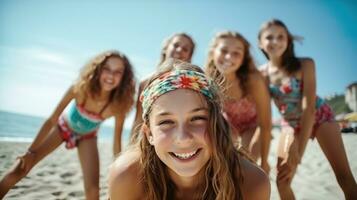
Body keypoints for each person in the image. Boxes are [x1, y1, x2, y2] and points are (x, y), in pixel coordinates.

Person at [108, 59, 270, 200]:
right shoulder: (126, 177)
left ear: (217, 123)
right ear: (149, 133)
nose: (183, 137)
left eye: (197, 118)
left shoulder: (251, 182)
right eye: (166, 122)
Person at [0, 50, 136, 200]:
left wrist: (119, 169)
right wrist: (30, 151)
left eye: (118, 72)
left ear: (124, 77)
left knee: (93, 192)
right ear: (98, 69)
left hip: (88, 137)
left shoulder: (118, 106)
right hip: (62, 128)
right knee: (19, 169)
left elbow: (116, 140)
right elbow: (52, 119)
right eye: (107, 69)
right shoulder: (80, 88)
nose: (111, 75)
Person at [258, 19, 357, 200]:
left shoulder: (305, 64)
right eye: (269, 37)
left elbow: (309, 108)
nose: (275, 41)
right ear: (260, 43)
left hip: (319, 116)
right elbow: (264, 114)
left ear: (288, 40)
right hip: (289, 123)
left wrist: (299, 152)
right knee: (282, 181)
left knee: (343, 176)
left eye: (281, 36)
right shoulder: (261, 74)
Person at [205, 31, 272, 174]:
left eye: (237, 53)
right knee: (226, 164)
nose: (229, 57)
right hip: (228, 126)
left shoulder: (252, 80)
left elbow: (265, 123)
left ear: (243, 59)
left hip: (253, 126)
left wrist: (265, 162)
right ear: (213, 52)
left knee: (246, 162)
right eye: (223, 50)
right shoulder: (208, 81)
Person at [130, 33, 195, 143]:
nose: (179, 50)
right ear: (166, 48)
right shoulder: (145, 82)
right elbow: (138, 120)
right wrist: (132, 147)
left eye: (185, 49)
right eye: (175, 45)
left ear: (189, 56)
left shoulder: (192, 82)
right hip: (153, 140)